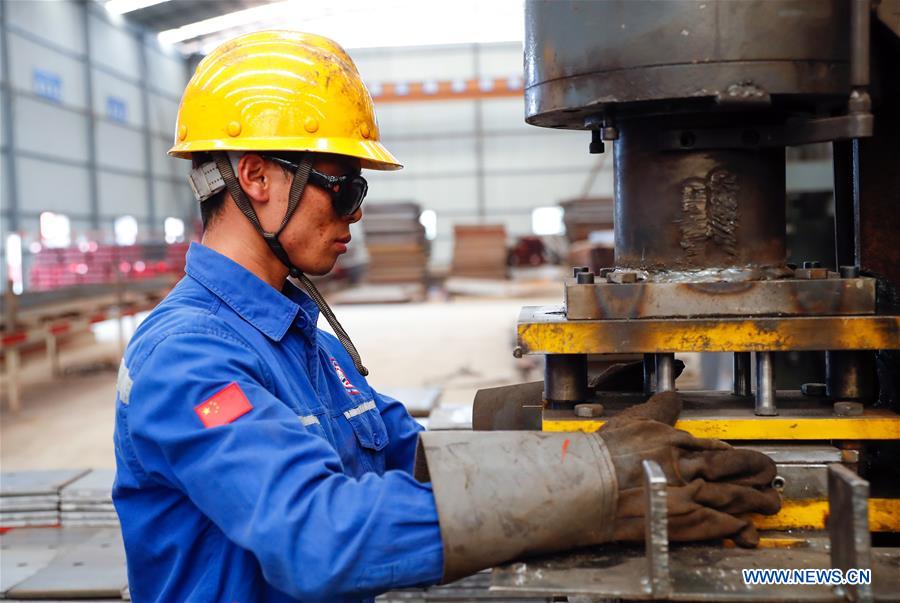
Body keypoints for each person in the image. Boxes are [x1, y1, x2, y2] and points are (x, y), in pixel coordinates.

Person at [112, 30, 781, 603]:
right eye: (343, 185)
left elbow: (407, 452)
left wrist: (561, 424)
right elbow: (316, 537)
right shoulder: (188, 356)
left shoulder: (302, 339)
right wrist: (592, 485)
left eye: (360, 190)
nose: (356, 212)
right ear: (256, 177)